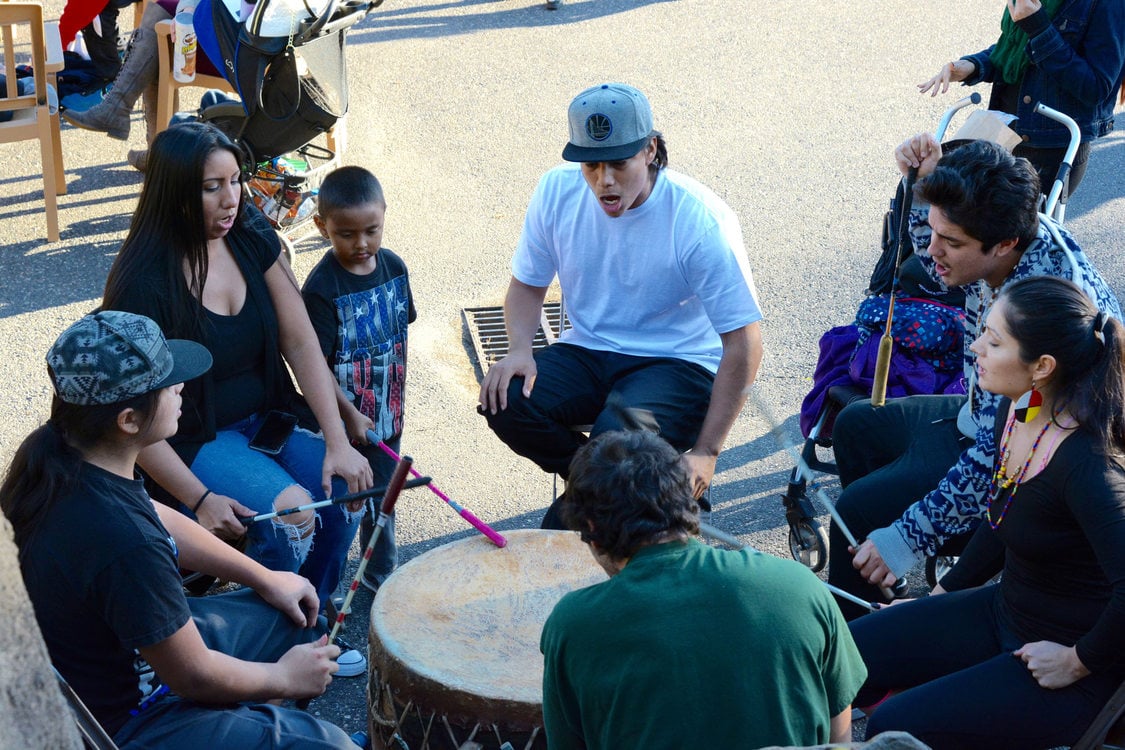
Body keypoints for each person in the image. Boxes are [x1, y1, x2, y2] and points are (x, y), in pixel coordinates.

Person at [0, 310, 357, 748]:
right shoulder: (122, 541)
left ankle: (257, 721)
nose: (180, 387)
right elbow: (193, 675)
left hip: (127, 657)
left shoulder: (65, 457)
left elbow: (155, 514)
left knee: (299, 612)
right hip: (128, 718)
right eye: (168, 385)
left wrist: (264, 577)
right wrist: (283, 677)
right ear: (129, 420)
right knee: (331, 743)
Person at [101, 122, 373, 655]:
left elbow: (299, 341)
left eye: (236, 181)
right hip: (194, 438)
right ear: (175, 192)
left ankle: (310, 624)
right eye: (211, 187)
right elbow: (127, 420)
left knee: (342, 492)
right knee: (293, 510)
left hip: (267, 418)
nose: (231, 200)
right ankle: (265, 649)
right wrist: (196, 498)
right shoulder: (142, 283)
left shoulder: (250, 235)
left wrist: (338, 439)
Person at [826, 133, 1120, 619]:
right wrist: (924, 184)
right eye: (936, 230)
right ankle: (889, 597)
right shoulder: (1012, 237)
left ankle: (862, 667)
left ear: (1004, 243)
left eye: (951, 241)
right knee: (857, 424)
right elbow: (936, 262)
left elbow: (999, 458)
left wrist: (907, 536)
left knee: (857, 514)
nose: (932, 249)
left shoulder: (1042, 323)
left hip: (1025, 478)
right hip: (981, 418)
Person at [849, 277, 1125, 749]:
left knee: (891, 730)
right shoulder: (1018, 410)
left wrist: (1078, 660)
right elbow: (1002, 523)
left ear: (1042, 366)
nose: (975, 345)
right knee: (840, 653)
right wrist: (938, 595)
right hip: (1005, 610)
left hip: (1067, 660)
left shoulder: (1088, 466)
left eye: (994, 341)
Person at [478, 83, 763, 525]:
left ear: (650, 151)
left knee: (616, 445)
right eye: (591, 166)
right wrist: (518, 350)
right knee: (506, 397)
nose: (604, 180)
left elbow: (745, 341)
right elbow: (527, 285)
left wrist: (707, 452)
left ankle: (610, 488)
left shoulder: (700, 219)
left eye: (618, 164)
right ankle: (621, 482)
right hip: (589, 350)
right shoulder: (556, 191)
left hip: (678, 361)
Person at [540, 429, 867, 749]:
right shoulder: (800, 585)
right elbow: (838, 736)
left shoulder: (574, 624)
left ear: (592, 530)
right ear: (687, 499)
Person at [302, 165, 416, 593]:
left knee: (383, 501)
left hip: (388, 417)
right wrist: (348, 415)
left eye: (372, 230)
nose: (362, 243)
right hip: (342, 427)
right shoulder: (321, 289)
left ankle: (379, 577)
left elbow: (400, 334)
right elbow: (313, 363)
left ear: (384, 216)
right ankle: (323, 588)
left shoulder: (394, 268)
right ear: (321, 226)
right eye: (346, 234)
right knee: (344, 507)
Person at [918, 0, 1125, 197]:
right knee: (956, 216)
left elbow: (1096, 87)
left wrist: (1038, 27)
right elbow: (1015, 53)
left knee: (1009, 232)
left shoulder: (1108, 4)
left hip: (1051, 151)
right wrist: (973, 66)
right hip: (1003, 137)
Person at [61, 0, 224, 171]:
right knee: (161, 24)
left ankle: (158, 153)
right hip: (243, 46)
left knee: (158, 31)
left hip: (232, 50)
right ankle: (160, 153)